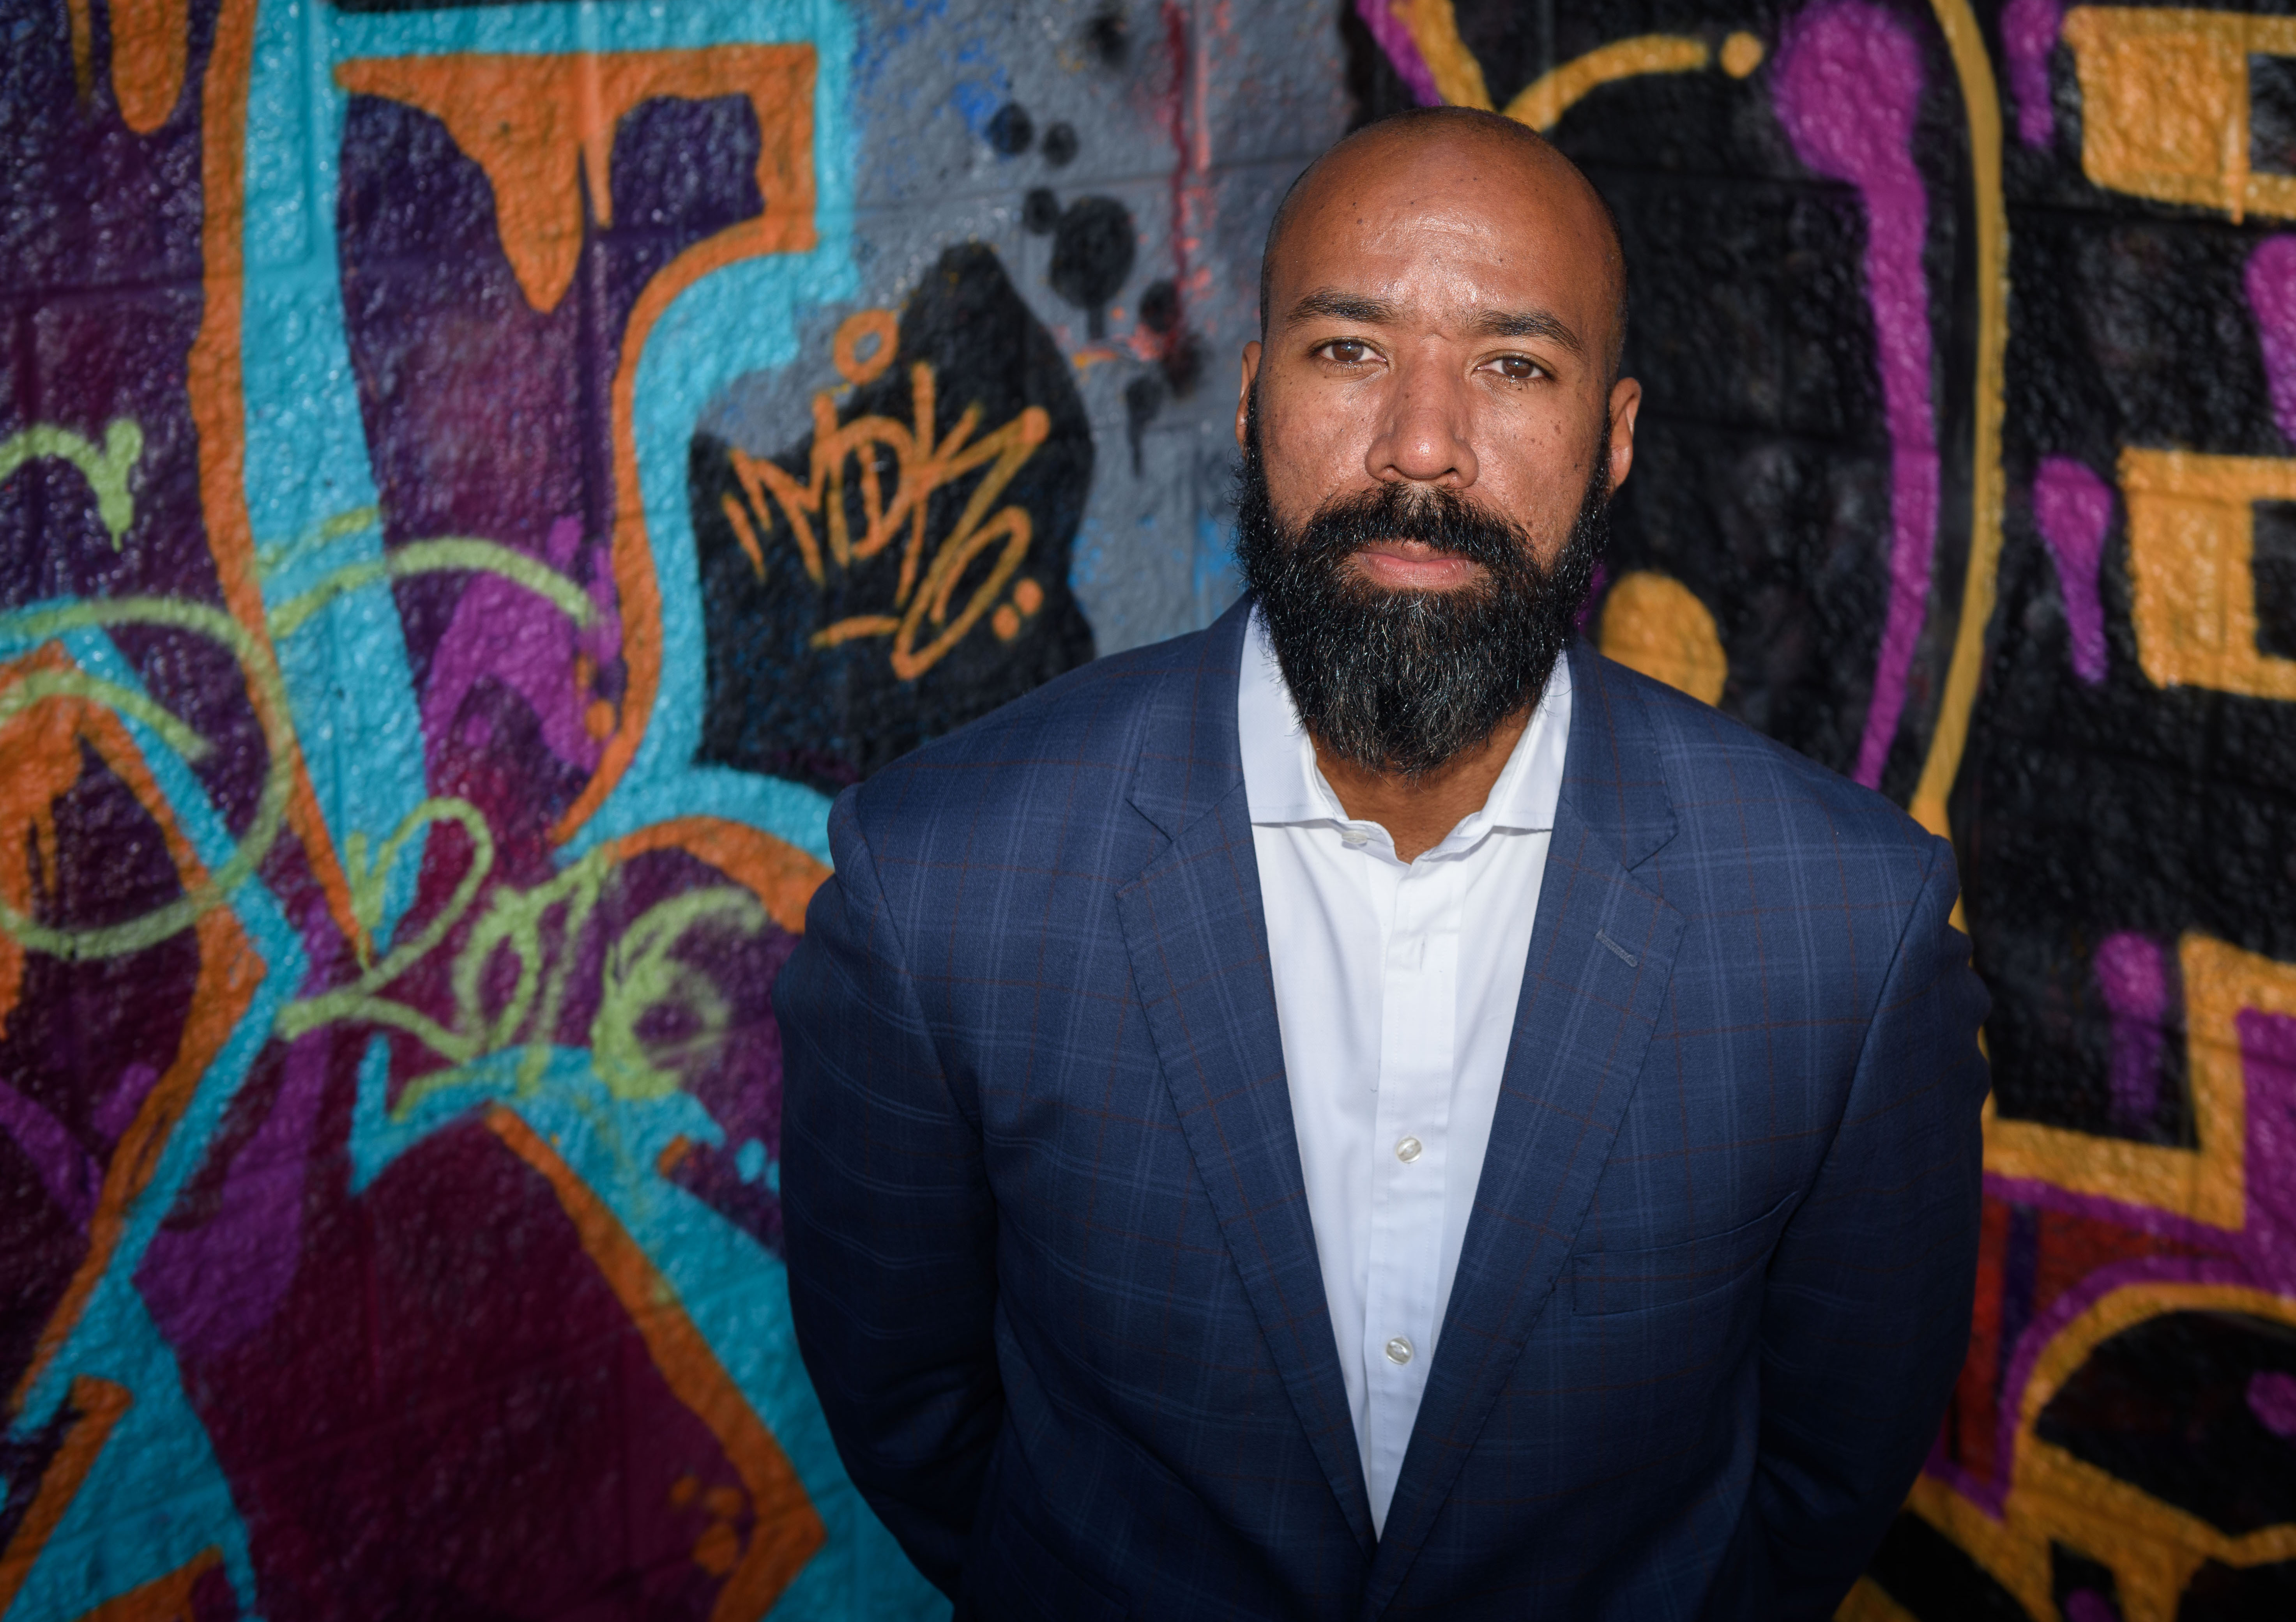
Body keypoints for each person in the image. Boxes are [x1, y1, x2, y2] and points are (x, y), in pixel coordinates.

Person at [774, 107, 1986, 1619]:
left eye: (1513, 365)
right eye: (1350, 351)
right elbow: (915, 1411)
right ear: (1252, 400)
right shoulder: (940, 885)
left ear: (1612, 441)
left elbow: (1825, 1469)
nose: (1422, 444)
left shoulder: (1843, 932)